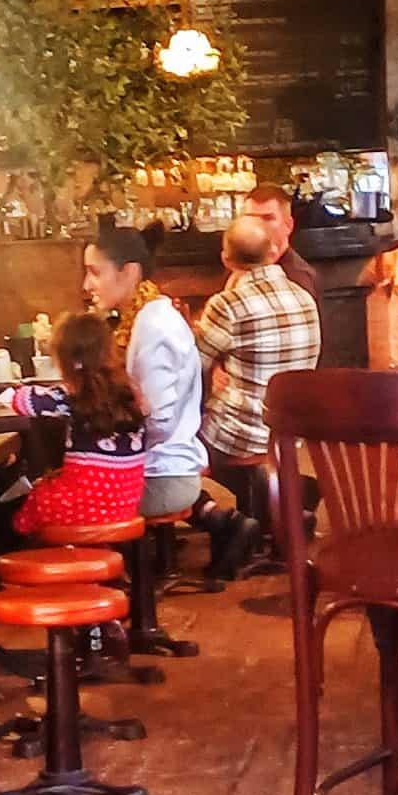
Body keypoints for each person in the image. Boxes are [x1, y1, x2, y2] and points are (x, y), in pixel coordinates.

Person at [82, 224, 256, 577]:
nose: (86, 285)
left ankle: (103, 600)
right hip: (168, 467)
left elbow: (158, 420)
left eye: (95, 272)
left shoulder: (152, 327)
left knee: (60, 496)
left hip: (160, 476)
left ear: (128, 272)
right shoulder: (148, 315)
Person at [195, 216, 322, 538]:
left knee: (172, 446)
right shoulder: (304, 297)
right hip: (293, 428)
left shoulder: (228, 304)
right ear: (273, 251)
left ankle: (225, 518)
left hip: (243, 432)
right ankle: (284, 502)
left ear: (226, 259)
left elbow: (193, 366)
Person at [5, 313, 144, 532]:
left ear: (66, 360)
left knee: (22, 503)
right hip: (124, 507)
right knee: (46, 485)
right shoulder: (129, 393)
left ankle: (24, 556)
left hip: (82, 509)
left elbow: (21, 400)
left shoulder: (69, 396)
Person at [243, 183, 319, 306]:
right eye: (250, 218)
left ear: (288, 226)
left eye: (267, 218)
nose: (257, 225)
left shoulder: (297, 278)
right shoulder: (241, 263)